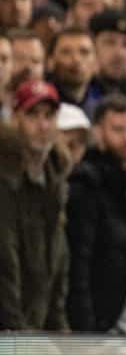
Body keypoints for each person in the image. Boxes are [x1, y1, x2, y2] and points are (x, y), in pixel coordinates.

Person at [66, 93, 126, 334]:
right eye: (118, 130)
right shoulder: (86, 185)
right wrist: (86, 331)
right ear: (99, 132)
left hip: (124, 323)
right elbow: (79, 265)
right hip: (94, 327)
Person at [0, 80, 70, 332]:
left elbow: (57, 270)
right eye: (32, 114)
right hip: (12, 333)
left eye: (49, 116)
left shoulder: (57, 181)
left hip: (35, 329)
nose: (42, 125)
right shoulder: (6, 182)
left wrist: (60, 333)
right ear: (15, 118)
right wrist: (19, 336)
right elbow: (5, 267)